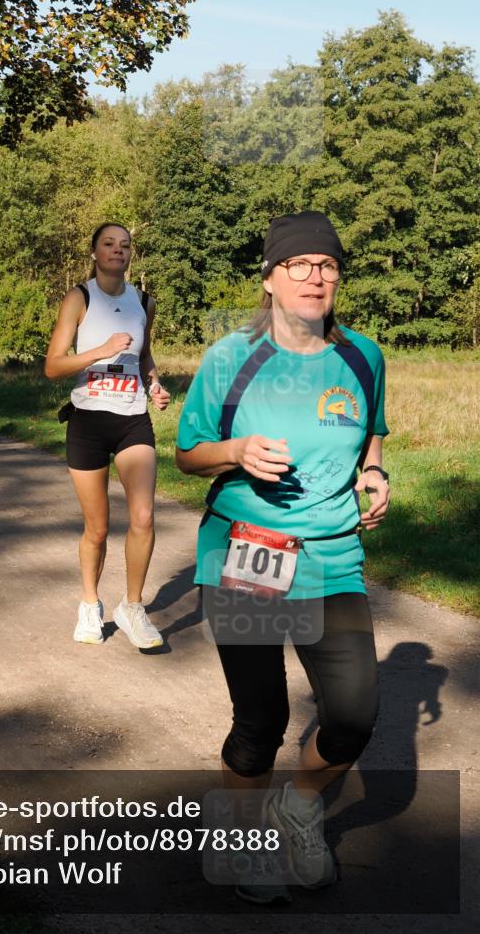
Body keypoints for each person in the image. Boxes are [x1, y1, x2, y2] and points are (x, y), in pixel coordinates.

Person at [176, 211, 390, 904]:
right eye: (298, 265)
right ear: (269, 279)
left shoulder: (363, 356)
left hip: (333, 557)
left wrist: (374, 474)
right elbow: (187, 453)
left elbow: (372, 436)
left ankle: (298, 807)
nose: (315, 276)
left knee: (355, 714)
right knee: (261, 719)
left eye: (326, 265)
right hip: (248, 553)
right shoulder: (230, 357)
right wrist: (236, 452)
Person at [44, 223, 171, 648]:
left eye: (125, 245)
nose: (118, 250)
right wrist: (101, 351)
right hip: (88, 421)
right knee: (97, 529)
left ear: (131, 254)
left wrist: (154, 384)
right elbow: (53, 366)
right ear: (95, 253)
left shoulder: (143, 301)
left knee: (143, 517)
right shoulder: (79, 298)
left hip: (132, 418)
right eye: (109, 244)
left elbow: (143, 353)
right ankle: (89, 605)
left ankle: (133, 608)